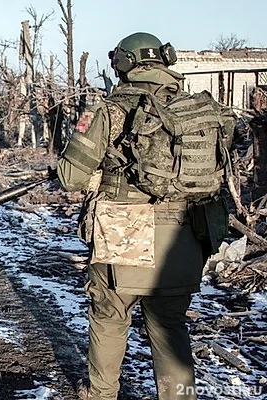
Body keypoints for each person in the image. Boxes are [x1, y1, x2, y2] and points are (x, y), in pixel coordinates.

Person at [55, 32, 236, 399]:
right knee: (170, 325)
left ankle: (101, 394)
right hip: (184, 237)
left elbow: (70, 177)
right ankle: (180, 396)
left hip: (123, 235)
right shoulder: (195, 111)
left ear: (122, 64)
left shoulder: (107, 110)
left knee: (110, 318)